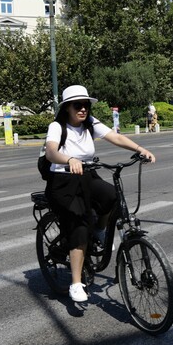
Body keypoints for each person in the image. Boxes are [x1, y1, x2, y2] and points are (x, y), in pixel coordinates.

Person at [45, 85, 156, 303]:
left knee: (113, 197)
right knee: (79, 227)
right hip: (63, 181)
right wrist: (69, 160)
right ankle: (76, 283)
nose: (83, 109)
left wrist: (139, 149)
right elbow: (51, 152)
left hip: (86, 175)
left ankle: (100, 229)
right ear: (67, 107)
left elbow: (115, 137)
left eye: (85, 105)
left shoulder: (90, 124)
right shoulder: (57, 126)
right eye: (78, 105)